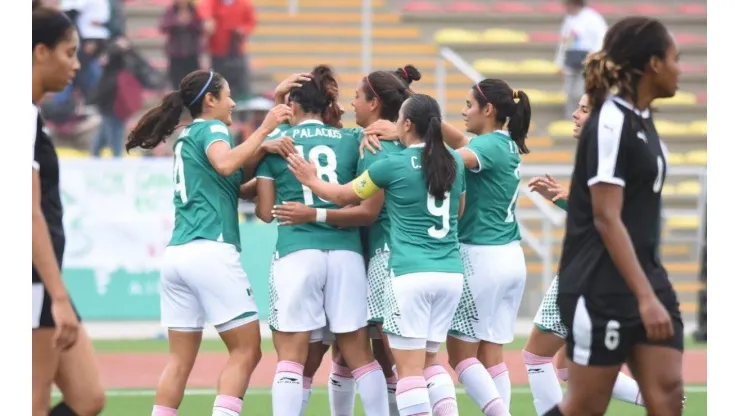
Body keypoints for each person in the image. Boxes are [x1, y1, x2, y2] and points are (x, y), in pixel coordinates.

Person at [287, 93, 467, 416]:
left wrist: (311, 180)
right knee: (431, 363)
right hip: (450, 273)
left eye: (399, 119)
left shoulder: (391, 165)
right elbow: (460, 211)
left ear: (408, 124)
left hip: (409, 273)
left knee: (408, 370)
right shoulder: (454, 161)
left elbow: (344, 196)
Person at [126, 69, 292, 416]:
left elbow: (231, 185)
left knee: (179, 362)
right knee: (247, 350)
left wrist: (261, 153)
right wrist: (265, 128)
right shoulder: (215, 128)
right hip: (210, 250)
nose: (232, 102)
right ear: (210, 100)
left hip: (177, 256)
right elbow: (225, 162)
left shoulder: (186, 137)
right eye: (227, 95)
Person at [544, 16, 684, 416]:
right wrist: (645, 298)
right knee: (585, 406)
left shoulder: (644, 119)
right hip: (600, 285)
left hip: (645, 278)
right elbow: (606, 217)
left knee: (668, 393)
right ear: (654, 64)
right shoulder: (610, 118)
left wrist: (651, 289)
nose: (680, 69)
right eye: (676, 58)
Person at [271, 65, 422, 416]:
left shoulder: (280, 143)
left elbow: (264, 207)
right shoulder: (357, 140)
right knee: (361, 357)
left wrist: (272, 122)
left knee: (296, 360)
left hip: (308, 251)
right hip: (354, 255)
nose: (352, 102)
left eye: (358, 96)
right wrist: (401, 132)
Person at [524, 94, 652, 415]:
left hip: (585, 271)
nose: (574, 114)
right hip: (597, 270)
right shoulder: (605, 154)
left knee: (535, 357)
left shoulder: (602, 157)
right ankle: (656, 395)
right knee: (567, 367)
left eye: (583, 109)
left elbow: (609, 217)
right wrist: (566, 198)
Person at [32, 5, 106, 416]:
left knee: (87, 398)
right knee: (31, 403)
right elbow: (27, 213)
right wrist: (58, 296)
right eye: (69, 52)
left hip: (43, 280)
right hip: (30, 282)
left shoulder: (31, 115)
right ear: (40, 52)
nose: (76, 64)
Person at [555, 0, 607, 119]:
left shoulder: (593, 18)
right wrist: (559, 62)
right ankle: (571, 118)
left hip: (587, 60)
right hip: (571, 59)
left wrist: (594, 57)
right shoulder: (569, 20)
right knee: (569, 92)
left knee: (581, 92)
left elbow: (601, 39)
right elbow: (564, 42)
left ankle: (584, 118)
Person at [160, 0, 203, 90]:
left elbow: (201, 27)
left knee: (193, 81)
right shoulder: (171, 10)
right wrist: (177, 22)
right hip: (176, 52)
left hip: (192, 51)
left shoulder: (194, 10)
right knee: (176, 81)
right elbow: (163, 26)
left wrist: (190, 22)